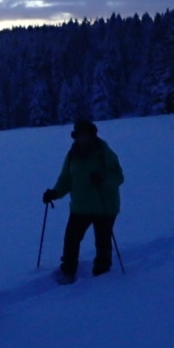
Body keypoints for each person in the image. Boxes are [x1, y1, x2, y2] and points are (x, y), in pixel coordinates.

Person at [42, 119, 124, 284]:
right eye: (79, 135)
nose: (82, 138)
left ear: (93, 135)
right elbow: (66, 179)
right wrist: (54, 193)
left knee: (102, 241)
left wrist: (103, 180)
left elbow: (118, 177)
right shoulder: (72, 155)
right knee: (71, 239)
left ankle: (102, 272)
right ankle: (68, 271)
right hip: (80, 207)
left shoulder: (104, 152)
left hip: (104, 206)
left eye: (85, 134)